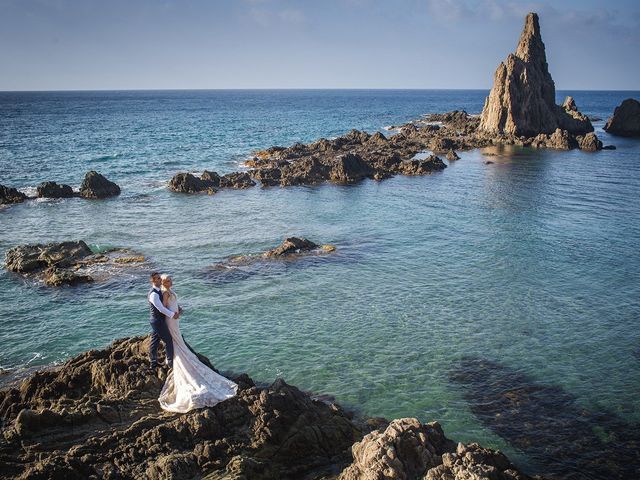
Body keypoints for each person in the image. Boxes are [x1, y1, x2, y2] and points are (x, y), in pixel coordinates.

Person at [158, 274, 237, 412]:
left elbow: (172, 305)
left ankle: (178, 356)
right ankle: (177, 358)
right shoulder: (165, 293)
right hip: (171, 321)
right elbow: (164, 309)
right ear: (164, 282)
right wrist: (172, 314)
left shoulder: (170, 292)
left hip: (175, 320)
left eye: (171, 280)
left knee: (179, 341)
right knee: (177, 341)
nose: (170, 282)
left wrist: (178, 309)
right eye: (168, 281)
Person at [148, 272, 179, 370]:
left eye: (159, 278)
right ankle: (170, 362)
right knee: (168, 340)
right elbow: (161, 308)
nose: (160, 280)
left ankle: (153, 362)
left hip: (159, 320)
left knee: (155, 341)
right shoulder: (153, 294)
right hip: (157, 321)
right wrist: (172, 315)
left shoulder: (159, 291)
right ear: (152, 281)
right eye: (157, 278)